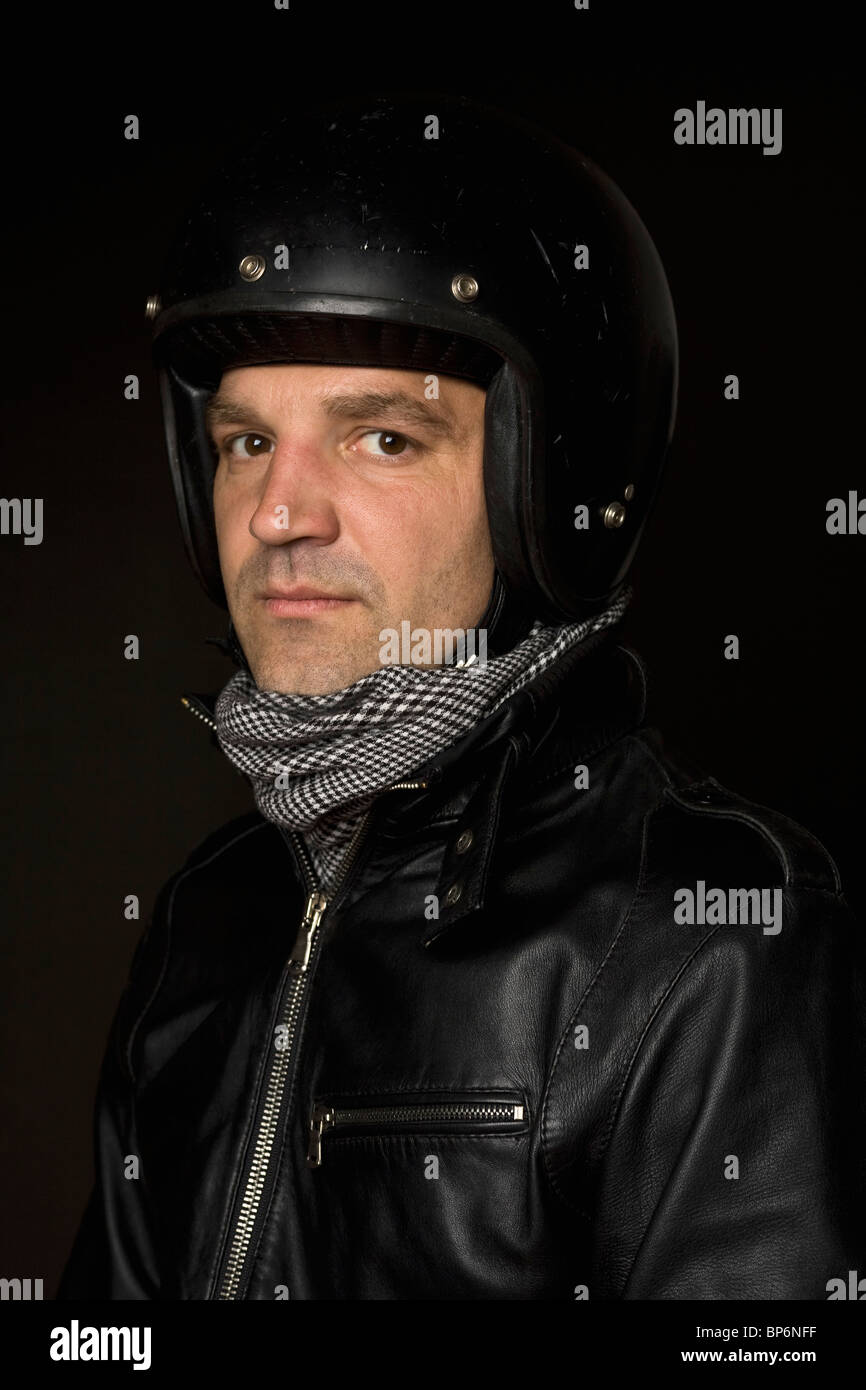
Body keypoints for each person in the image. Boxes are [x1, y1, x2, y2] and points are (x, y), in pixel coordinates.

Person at [56, 93, 865, 1301]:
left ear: (546, 483)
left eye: (380, 438)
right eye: (243, 443)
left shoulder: (714, 935)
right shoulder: (207, 916)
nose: (280, 515)